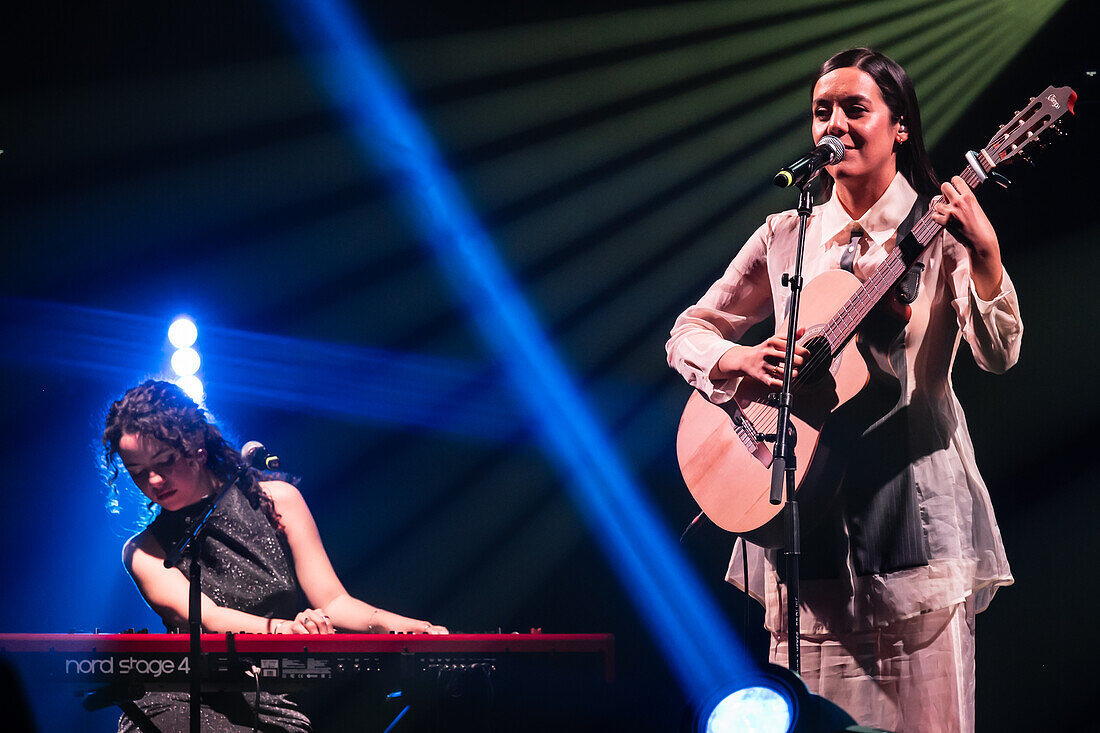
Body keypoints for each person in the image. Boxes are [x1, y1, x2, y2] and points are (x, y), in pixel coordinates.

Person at [666, 48, 1021, 732]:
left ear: (900, 127)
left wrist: (985, 255)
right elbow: (687, 331)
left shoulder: (937, 228)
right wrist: (740, 360)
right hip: (807, 550)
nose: (835, 123)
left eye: (856, 108)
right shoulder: (786, 237)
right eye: (821, 110)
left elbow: (999, 354)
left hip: (913, 540)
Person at [102, 379, 448, 732]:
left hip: (275, 700)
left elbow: (333, 600)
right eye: (139, 473)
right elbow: (211, 618)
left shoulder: (278, 501)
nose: (155, 481)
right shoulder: (144, 551)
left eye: (165, 461)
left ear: (198, 447)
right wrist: (289, 630)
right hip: (184, 698)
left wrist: (407, 629)